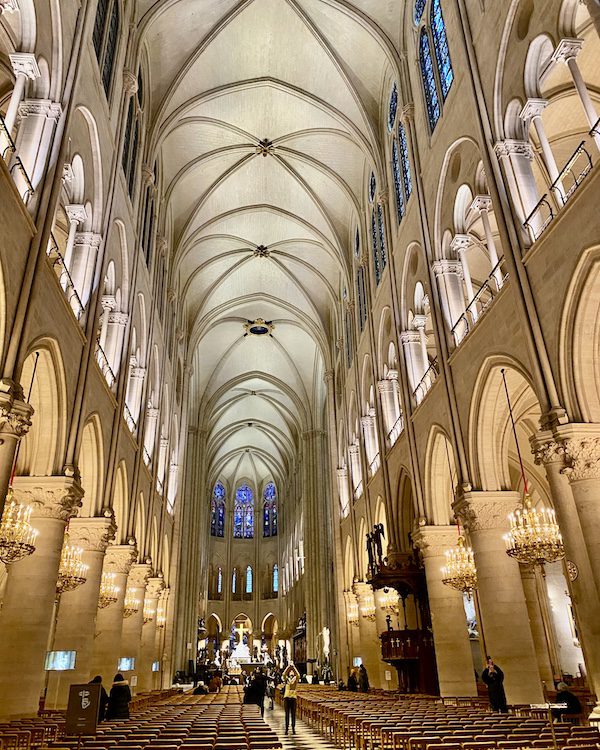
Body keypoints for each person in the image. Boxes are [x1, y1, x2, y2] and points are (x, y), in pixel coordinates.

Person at [282, 663, 300, 735]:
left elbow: (298, 675)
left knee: (293, 714)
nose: (291, 672)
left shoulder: (296, 679)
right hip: (287, 697)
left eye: (292, 672)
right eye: (290, 672)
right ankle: (286, 728)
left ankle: (293, 728)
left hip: (293, 697)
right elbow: (284, 674)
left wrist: (294, 667)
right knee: (287, 714)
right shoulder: (286, 679)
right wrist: (288, 667)